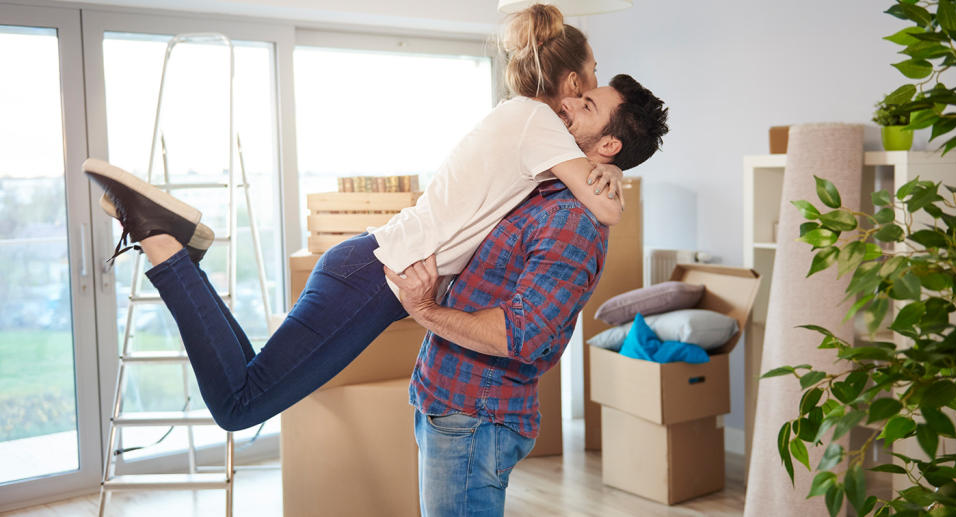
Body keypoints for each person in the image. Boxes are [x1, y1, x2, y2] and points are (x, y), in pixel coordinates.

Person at [81, 3, 660, 433]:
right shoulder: (539, 128)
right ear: (570, 83)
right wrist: (611, 179)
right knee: (240, 405)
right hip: (373, 279)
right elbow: (606, 208)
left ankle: (172, 243)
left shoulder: (526, 129)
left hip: (365, 269)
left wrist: (607, 170)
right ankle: (161, 241)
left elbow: (585, 192)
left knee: (249, 382)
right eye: (589, 84)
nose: (582, 99)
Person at [385, 75, 668, 517]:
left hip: (474, 416)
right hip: (447, 402)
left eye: (587, 106)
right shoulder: (543, 187)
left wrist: (424, 309)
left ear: (609, 145)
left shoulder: (571, 220)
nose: (569, 103)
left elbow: (522, 334)